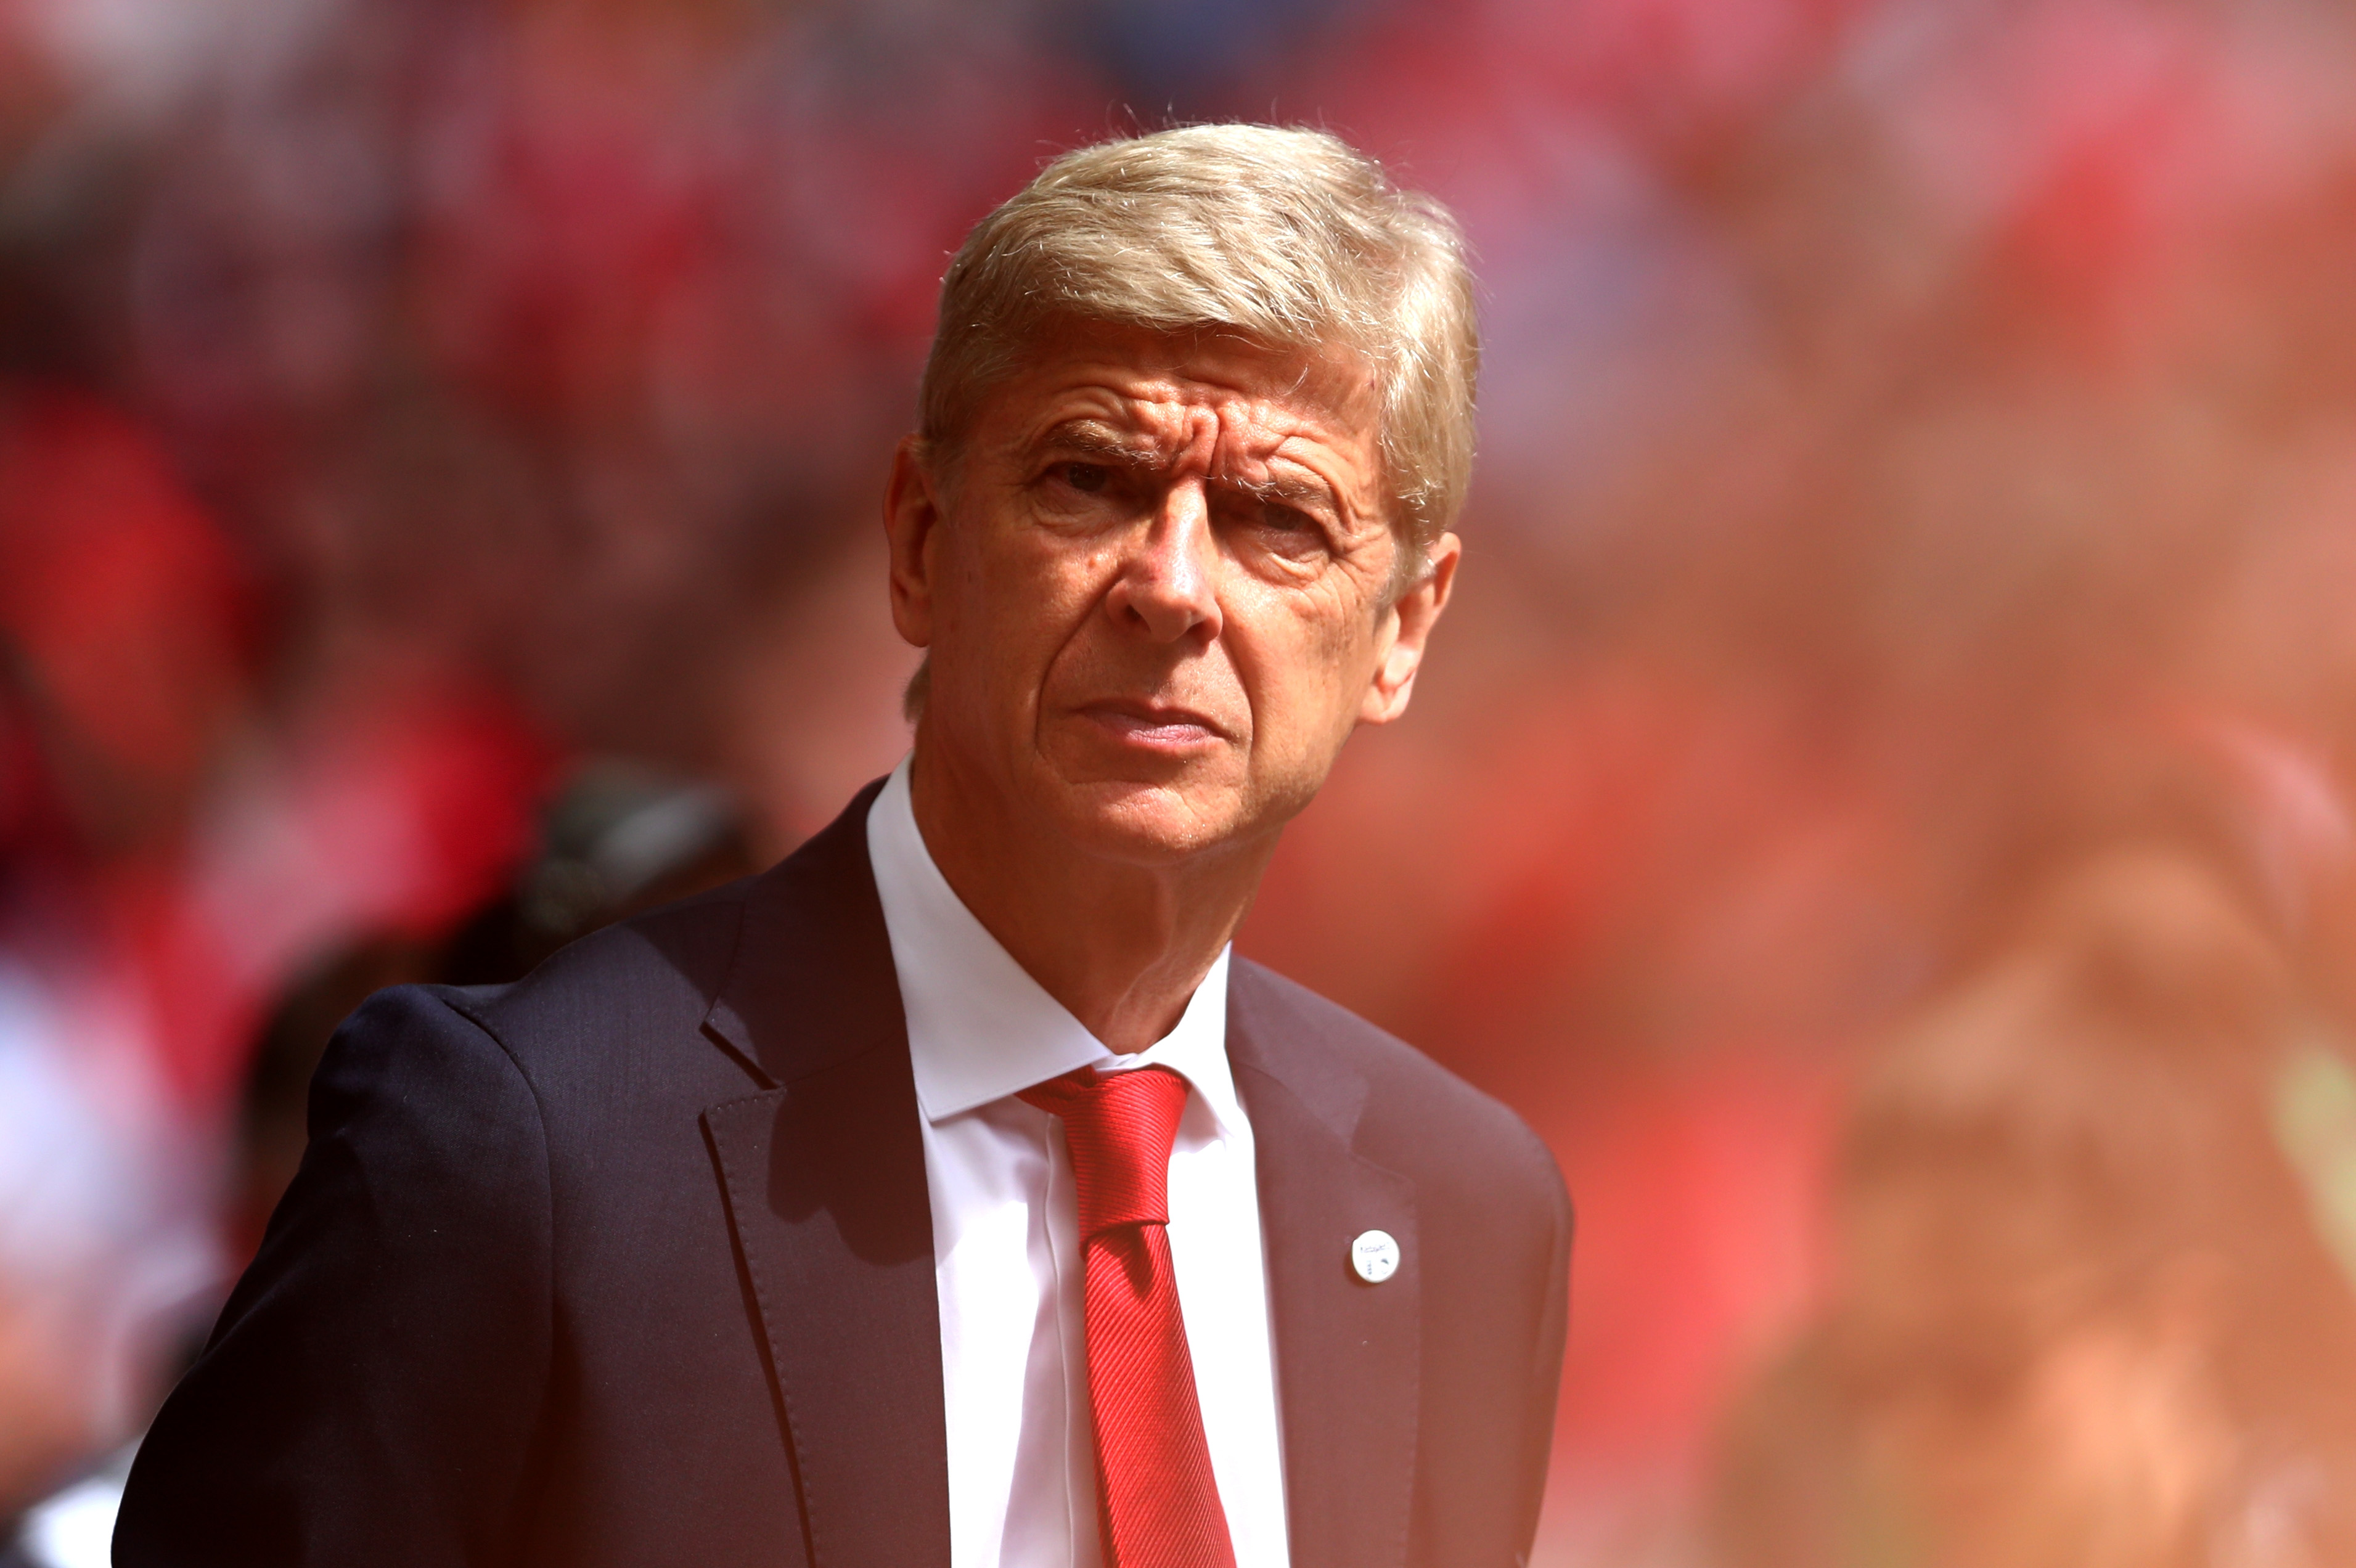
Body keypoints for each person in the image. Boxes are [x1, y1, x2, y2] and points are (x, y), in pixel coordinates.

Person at [113, 124, 1572, 1568]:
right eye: (1090, 478)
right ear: (922, 538)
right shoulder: (517, 1144)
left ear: (1402, 628)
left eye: (1277, 516)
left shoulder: (1467, 1214)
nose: (1172, 584)